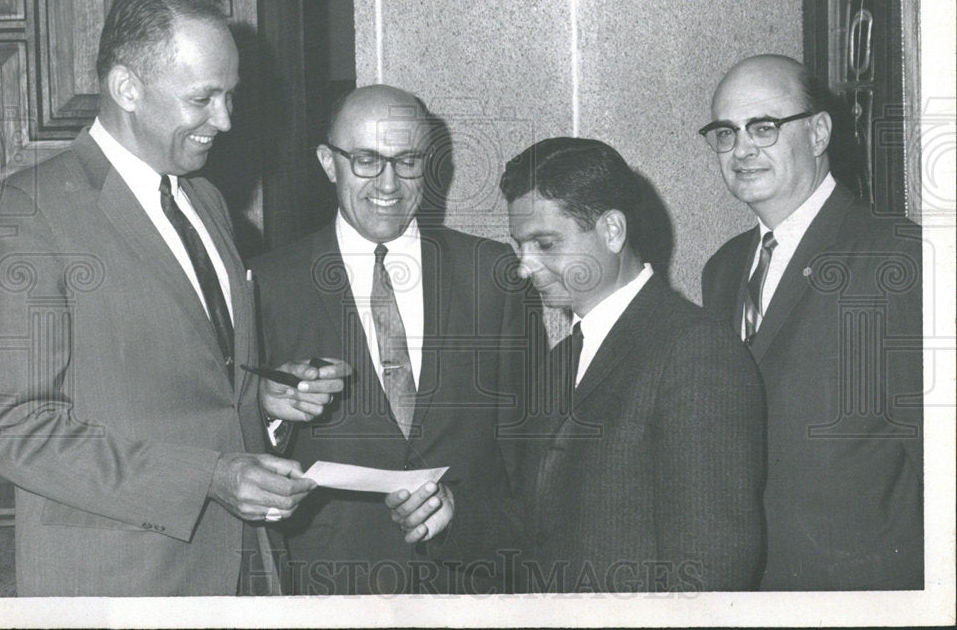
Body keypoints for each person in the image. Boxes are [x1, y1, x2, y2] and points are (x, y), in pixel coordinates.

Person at [0, 0, 345, 596]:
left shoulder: (205, 199)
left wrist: (265, 402)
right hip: (122, 584)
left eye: (230, 96)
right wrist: (206, 477)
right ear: (127, 88)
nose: (226, 120)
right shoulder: (31, 210)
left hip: (244, 568)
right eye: (203, 98)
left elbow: (194, 387)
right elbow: (13, 427)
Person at [414, 136, 766, 593]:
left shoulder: (695, 351)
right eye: (520, 246)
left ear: (613, 231)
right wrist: (452, 518)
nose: (525, 268)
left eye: (545, 243)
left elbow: (711, 567)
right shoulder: (561, 362)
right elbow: (539, 530)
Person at [250, 84, 544, 594]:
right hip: (332, 587)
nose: (389, 183)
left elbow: (532, 452)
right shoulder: (267, 283)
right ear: (328, 162)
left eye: (407, 161)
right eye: (366, 160)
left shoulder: (492, 273)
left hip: (472, 583)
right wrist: (272, 411)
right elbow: (239, 442)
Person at [700, 54, 923, 590]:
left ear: (819, 131)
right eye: (726, 133)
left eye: (764, 127)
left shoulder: (898, 256)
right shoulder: (724, 268)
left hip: (865, 590)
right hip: (751, 583)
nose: (742, 149)